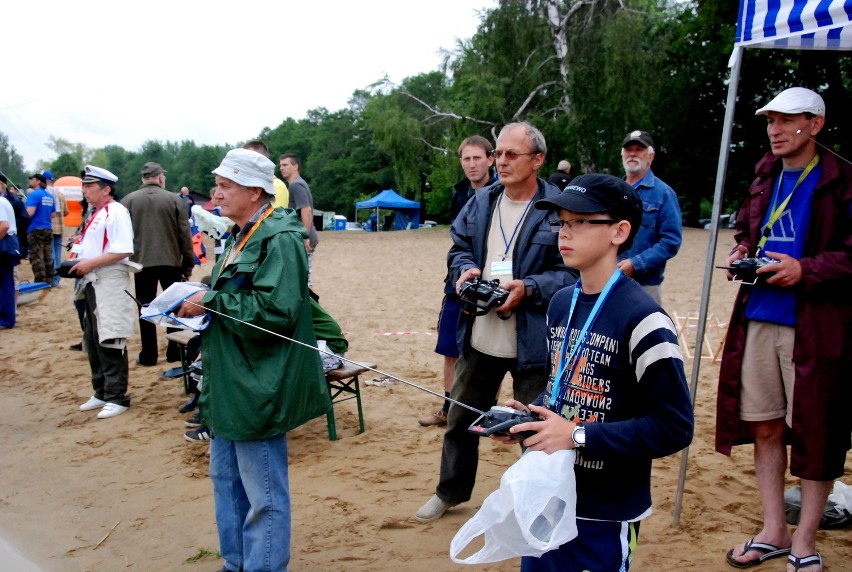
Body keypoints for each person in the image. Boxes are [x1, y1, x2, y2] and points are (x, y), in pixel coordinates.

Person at [493, 173, 693, 571]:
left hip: (607, 508)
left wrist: (577, 435)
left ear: (619, 231)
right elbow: (563, 387)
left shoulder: (645, 320)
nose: (565, 233)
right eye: (562, 222)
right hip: (550, 491)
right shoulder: (560, 302)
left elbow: (674, 426)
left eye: (581, 222)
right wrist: (532, 415)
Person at [717, 87, 852, 572]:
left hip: (815, 326)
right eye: (769, 120)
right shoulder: (763, 173)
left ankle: (806, 540)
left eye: (785, 120)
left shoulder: (844, 179)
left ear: (814, 125)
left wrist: (807, 270)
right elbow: (750, 229)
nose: (774, 130)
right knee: (766, 425)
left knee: (818, 431)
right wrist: (742, 251)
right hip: (758, 316)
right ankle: (775, 529)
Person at [414, 121, 576, 522]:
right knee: (460, 420)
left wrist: (530, 288)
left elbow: (571, 271)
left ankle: (536, 507)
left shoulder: (559, 208)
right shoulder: (482, 201)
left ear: (537, 160)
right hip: (481, 335)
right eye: (498, 153)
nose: (500, 161)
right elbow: (459, 247)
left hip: (533, 342)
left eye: (511, 154)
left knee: (533, 429)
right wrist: (465, 270)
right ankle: (449, 492)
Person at [177, 148, 330, 572]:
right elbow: (238, 295)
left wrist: (209, 301)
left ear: (254, 190)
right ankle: (236, 563)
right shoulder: (238, 232)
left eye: (226, 185)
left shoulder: (279, 236)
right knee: (226, 481)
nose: (216, 192)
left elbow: (276, 313)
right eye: (218, 184)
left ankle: (263, 566)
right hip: (230, 376)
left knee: (264, 491)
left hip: (259, 380)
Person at [420, 135, 496, 427]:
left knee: (489, 352)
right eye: (467, 158)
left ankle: (485, 412)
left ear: (490, 159)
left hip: (492, 283)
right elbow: (458, 242)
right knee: (450, 347)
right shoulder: (460, 193)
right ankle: (448, 408)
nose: (472, 164)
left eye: (478, 158)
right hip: (458, 283)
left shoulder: (501, 193)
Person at [71, 166, 137, 420]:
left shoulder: (116, 211)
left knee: (111, 335)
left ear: (106, 189)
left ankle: (117, 395)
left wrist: (90, 262)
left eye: (90, 186)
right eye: (84, 186)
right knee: (93, 335)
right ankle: (101, 390)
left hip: (108, 279)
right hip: (92, 279)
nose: (85, 191)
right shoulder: (98, 212)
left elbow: (123, 249)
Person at [121, 162, 195, 366]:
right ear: (160, 178)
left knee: (145, 308)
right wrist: (187, 264)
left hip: (141, 263)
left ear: (143, 178)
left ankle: (149, 354)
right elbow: (184, 236)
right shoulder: (174, 199)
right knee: (174, 306)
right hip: (171, 261)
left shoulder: (128, 200)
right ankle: (174, 350)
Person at [617, 130, 682, 305]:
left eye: (639, 149)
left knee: (644, 332)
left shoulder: (664, 194)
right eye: (628, 149)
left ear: (650, 156)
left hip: (645, 286)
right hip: (609, 281)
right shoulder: (613, 191)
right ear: (622, 154)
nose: (632, 154)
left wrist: (636, 264)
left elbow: (671, 241)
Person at [279, 153, 318, 276]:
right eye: (280, 165)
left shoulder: (296, 185)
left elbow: (306, 209)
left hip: (302, 239)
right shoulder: (298, 184)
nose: (281, 168)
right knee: (303, 277)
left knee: (302, 279)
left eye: (285, 165)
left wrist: (304, 237)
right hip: (303, 237)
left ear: (295, 166)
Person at [25, 173, 55, 284]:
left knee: (37, 257)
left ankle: (39, 282)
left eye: (31, 179)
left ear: (38, 181)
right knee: (47, 256)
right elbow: (53, 215)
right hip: (47, 227)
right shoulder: (49, 196)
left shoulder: (34, 195)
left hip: (35, 228)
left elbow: (30, 212)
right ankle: (49, 280)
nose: (29, 180)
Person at [243, 139, 289, 209]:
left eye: (249, 159)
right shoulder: (252, 185)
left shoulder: (275, 186)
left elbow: (272, 218)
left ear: (263, 161)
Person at [43, 170, 68, 286]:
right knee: (58, 254)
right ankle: (57, 279)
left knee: (51, 254)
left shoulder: (45, 193)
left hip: (49, 226)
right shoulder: (60, 194)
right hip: (60, 228)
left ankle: (52, 278)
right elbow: (66, 212)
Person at [0, 189, 20, 328]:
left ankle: (6, 318)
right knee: (6, 281)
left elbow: (4, 226)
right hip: (8, 241)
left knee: (4, 282)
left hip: (5, 243)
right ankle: (7, 317)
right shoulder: (3, 200)